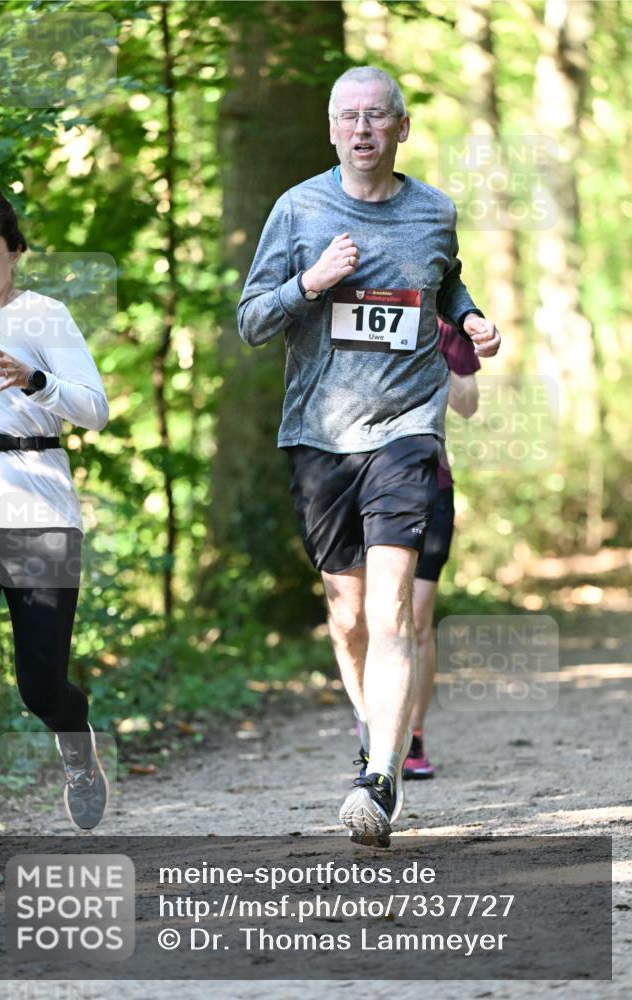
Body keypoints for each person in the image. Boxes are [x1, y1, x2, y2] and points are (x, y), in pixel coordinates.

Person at [238, 66, 500, 847]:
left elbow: (445, 287)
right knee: (348, 617)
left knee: (391, 609)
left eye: (376, 116)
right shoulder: (298, 210)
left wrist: (474, 318)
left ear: (400, 128)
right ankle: (370, 728)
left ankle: (380, 774)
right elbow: (253, 319)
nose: (362, 129)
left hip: (406, 430)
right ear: (330, 130)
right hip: (319, 434)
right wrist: (310, 283)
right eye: (348, 116)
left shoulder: (433, 212)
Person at [0, 185, 109, 890]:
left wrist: (36, 379)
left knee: (39, 684)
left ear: (13, 252)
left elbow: (96, 411)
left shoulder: (43, 317)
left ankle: (75, 739)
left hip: (39, 511)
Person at [402, 317, 480, 780]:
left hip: (432, 484)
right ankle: (374, 724)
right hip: (357, 482)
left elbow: (468, 405)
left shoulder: (446, 324)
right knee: (366, 617)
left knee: (416, 619)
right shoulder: (351, 301)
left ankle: (412, 735)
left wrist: (438, 349)